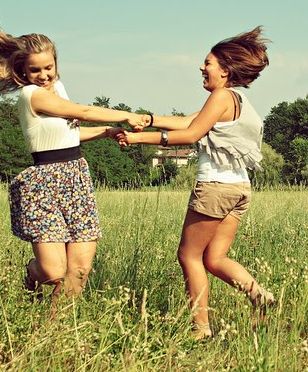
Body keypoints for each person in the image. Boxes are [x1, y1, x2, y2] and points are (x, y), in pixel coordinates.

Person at [117, 26, 275, 339]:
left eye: (208, 63)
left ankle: (200, 330)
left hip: (215, 187)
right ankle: (262, 298)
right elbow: (189, 121)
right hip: (238, 188)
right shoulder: (237, 99)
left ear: (225, 70)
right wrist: (149, 119)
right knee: (214, 258)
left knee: (189, 256)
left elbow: (190, 134)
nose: (202, 68)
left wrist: (139, 138)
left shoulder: (220, 96)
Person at [0, 30, 145, 301]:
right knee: (54, 273)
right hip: (42, 184)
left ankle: (55, 335)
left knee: (78, 271)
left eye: (48, 67)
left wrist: (107, 131)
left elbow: (69, 134)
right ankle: (32, 271)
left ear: (56, 64)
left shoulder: (59, 88)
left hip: (76, 177)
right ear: (24, 71)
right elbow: (83, 112)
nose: (44, 75)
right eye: (35, 70)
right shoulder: (32, 95)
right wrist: (127, 116)